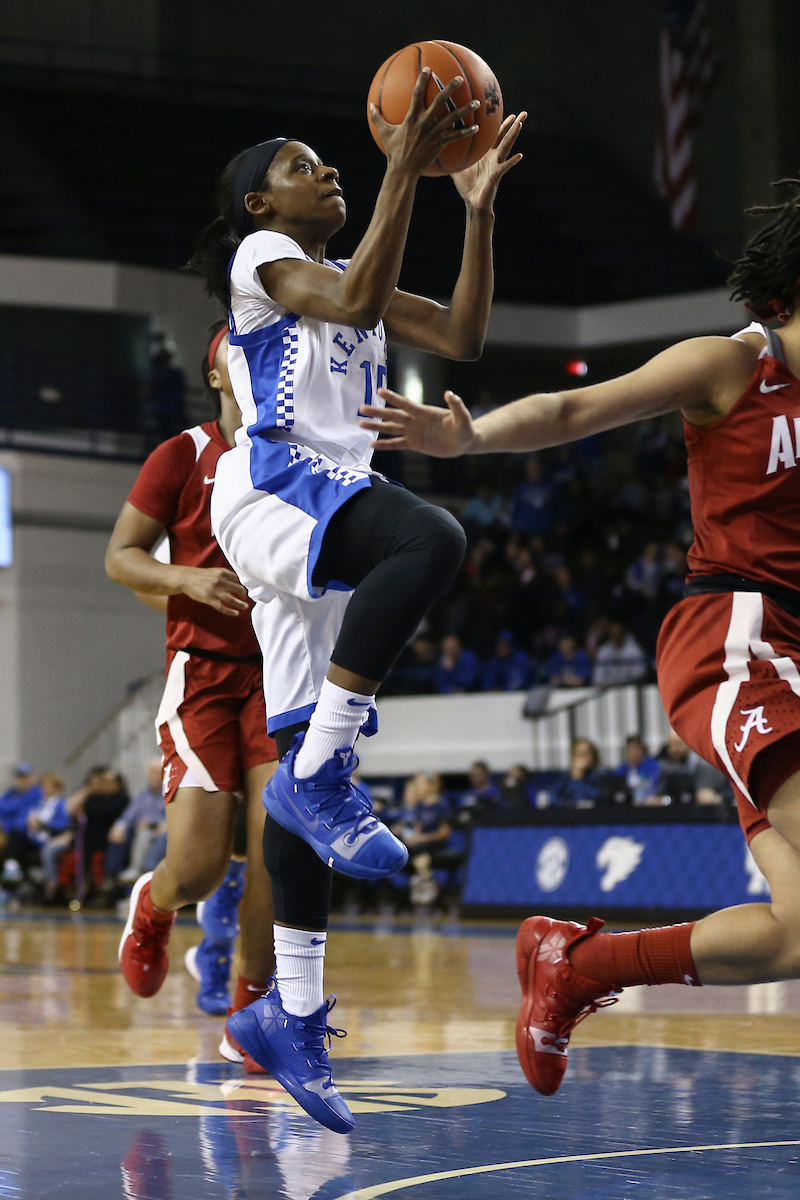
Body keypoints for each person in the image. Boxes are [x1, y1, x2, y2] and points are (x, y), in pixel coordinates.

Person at [359, 175, 800, 1098]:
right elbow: (573, 410)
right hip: (739, 637)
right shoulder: (729, 366)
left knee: (796, 932)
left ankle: (580, 966)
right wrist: (465, 439)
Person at [184, 76, 524, 1131]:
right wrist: (395, 171)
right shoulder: (262, 265)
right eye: (299, 167)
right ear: (258, 207)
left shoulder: (344, 268)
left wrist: (471, 209)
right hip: (280, 485)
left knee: (288, 774)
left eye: (330, 163)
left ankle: (285, 1012)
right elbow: (350, 302)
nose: (322, 170)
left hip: (327, 513)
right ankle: (328, 771)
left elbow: (461, 336)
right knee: (430, 535)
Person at [106, 322, 278, 1067]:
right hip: (204, 673)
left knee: (283, 847)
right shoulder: (182, 453)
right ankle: (156, 903)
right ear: (214, 377)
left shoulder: (299, 456)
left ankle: (251, 1008)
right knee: (203, 867)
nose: (251, 367)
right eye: (235, 359)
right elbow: (121, 557)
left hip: (283, 673)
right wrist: (184, 579)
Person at [106, 759, 167, 884]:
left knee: (148, 835)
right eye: (151, 772)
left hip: (161, 830)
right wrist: (120, 826)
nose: (154, 776)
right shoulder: (142, 794)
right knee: (118, 835)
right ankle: (112, 879)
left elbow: (171, 818)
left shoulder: (168, 793)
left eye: (157, 772)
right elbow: (128, 815)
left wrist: (151, 823)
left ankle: (141, 871)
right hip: (139, 830)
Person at [26, 773, 71, 902]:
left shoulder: (61, 804)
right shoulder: (40, 803)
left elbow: (62, 825)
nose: (45, 790)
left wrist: (41, 825)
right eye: (44, 786)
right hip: (37, 838)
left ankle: (52, 882)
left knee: (48, 851)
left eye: (49, 787)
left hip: (55, 838)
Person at [0, 765, 42, 870]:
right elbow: (2, 806)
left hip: (27, 836)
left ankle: (10, 875)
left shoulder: (36, 793)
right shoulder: (12, 792)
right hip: (8, 832)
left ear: (32, 778)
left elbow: (22, 820)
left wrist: (5, 823)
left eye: (25, 777)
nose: (22, 780)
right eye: (20, 777)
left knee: (12, 836)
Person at [550, 738, 605, 808]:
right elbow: (553, 799)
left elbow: (597, 796)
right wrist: (576, 775)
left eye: (586, 753)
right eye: (579, 754)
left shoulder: (600, 777)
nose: (583, 758)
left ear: (593, 757)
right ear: (573, 757)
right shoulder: (564, 779)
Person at [591, 621, 647, 685]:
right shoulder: (603, 651)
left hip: (629, 687)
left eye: (618, 634)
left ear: (623, 635)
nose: (616, 638)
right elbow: (598, 677)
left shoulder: (634, 650)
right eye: (613, 635)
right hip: (608, 688)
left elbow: (640, 674)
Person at [613, 734, 662, 805]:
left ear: (641, 750)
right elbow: (615, 780)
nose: (632, 753)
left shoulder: (652, 766)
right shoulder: (624, 767)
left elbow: (654, 783)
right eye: (629, 750)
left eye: (635, 749)